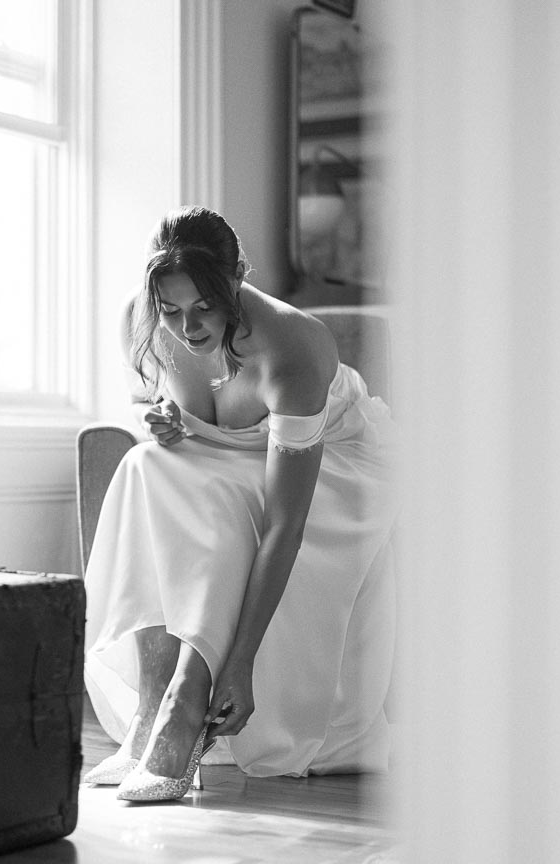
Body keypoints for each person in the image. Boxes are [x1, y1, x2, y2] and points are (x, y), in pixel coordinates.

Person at [82, 206, 399, 802]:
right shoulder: (142, 319)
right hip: (233, 454)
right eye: (171, 310)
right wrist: (168, 421)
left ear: (237, 280)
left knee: (232, 509)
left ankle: (186, 699)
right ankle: (151, 711)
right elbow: (159, 407)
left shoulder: (292, 346)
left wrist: (241, 660)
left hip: (340, 461)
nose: (188, 327)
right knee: (141, 466)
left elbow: (285, 521)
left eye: (205, 307)